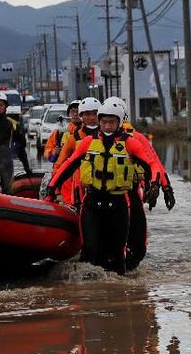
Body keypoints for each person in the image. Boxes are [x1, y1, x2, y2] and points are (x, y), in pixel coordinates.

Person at [44, 99, 169, 275]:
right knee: (90, 252)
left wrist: (158, 185)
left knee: (116, 255)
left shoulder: (131, 143)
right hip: (92, 204)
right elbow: (68, 166)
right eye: (104, 122)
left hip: (118, 205)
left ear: (119, 122)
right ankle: (91, 296)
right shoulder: (87, 142)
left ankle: (118, 294)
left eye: (111, 122)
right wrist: (51, 189)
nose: (107, 126)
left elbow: (152, 164)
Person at [101, 97, 175, 271]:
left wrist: (164, 187)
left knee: (137, 243)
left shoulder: (136, 139)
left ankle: (125, 269)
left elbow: (154, 163)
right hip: (100, 195)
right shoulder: (93, 139)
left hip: (131, 191)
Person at [49, 97, 102, 207]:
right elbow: (59, 166)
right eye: (87, 114)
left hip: (104, 188)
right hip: (80, 190)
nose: (92, 118)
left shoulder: (108, 137)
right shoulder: (73, 139)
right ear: (81, 116)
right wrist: (57, 192)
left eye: (95, 114)